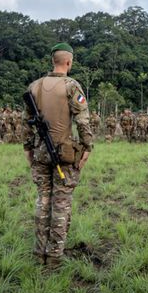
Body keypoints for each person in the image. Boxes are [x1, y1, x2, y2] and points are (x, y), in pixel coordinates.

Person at [24, 43, 93, 268]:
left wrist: (28, 149)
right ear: (68, 62)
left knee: (43, 200)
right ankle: (54, 256)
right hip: (65, 154)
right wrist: (88, 148)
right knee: (61, 203)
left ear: (53, 60)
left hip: (40, 153)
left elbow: (26, 124)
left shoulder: (34, 86)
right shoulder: (72, 86)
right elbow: (83, 120)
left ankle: (38, 252)